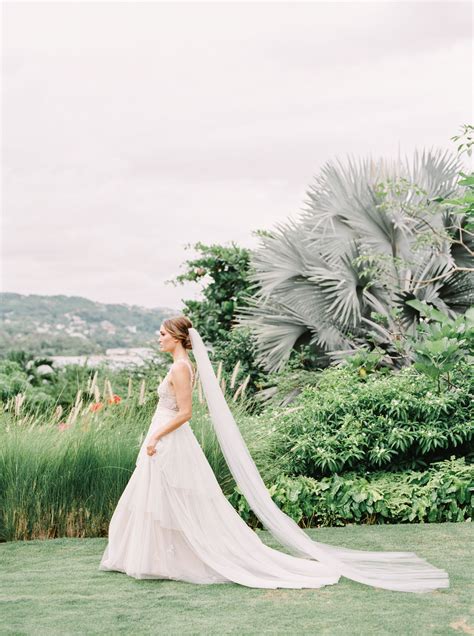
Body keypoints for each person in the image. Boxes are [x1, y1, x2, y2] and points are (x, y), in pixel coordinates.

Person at [99, 315, 449, 592]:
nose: (157, 338)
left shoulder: (180, 367)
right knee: (157, 499)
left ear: (176, 337)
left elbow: (185, 413)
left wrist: (155, 435)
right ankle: (161, 559)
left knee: (170, 498)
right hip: (163, 439)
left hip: (169, 439)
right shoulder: (177, 365)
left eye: (161, 333)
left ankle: (176, 560)